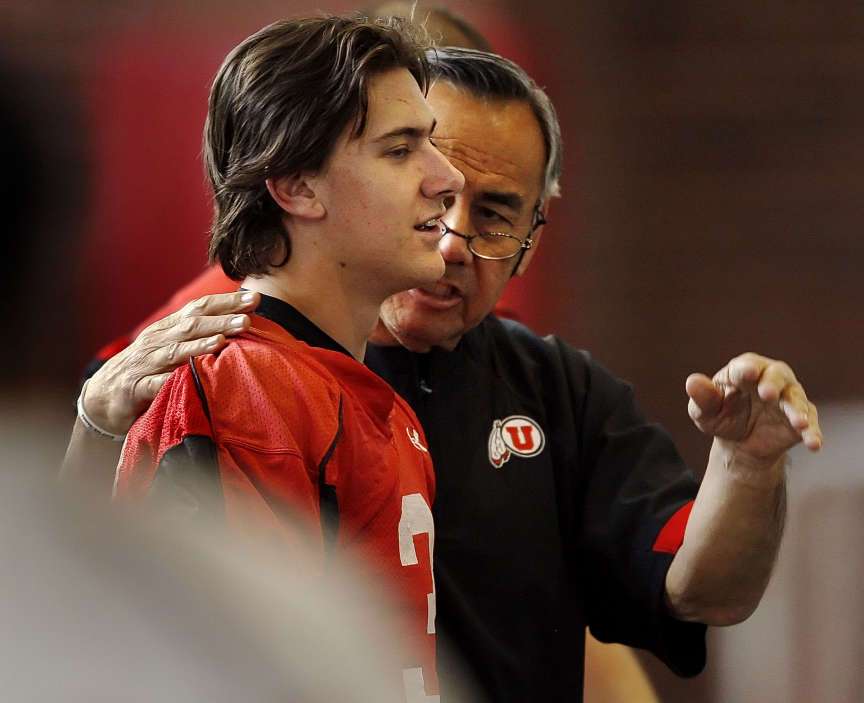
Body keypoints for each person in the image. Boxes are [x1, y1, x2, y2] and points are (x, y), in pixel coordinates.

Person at [64, 47, 823, 703]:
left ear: (533, 237)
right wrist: (95, 422)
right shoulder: (219, 353)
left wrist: (749, 465)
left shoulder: (548, 388)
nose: (452, 233)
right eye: (420, 171)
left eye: (494, 213)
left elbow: (698, 592)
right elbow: (87, 594)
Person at [104, 14, 466, 701]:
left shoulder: (343, 384)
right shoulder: (242, 384)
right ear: (296, 186)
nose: (446, 178)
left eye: (432, 144)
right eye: (400, 149)